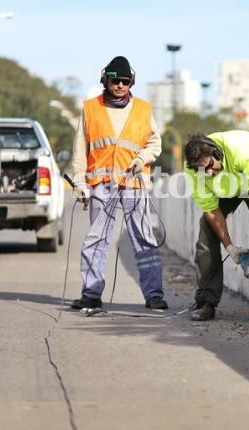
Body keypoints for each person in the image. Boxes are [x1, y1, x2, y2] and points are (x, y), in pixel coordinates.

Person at [69, 55, 167, 310]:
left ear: (131, 82)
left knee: (144, 239)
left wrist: (142, 158)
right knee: (96, 239)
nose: (121, 85)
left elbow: (154, 143)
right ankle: (91, 294)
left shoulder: (144, 109)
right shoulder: (90, 108)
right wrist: (80, 182)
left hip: (134, 183)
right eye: (116, 81)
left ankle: (154, 295)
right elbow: (81, 149)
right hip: (101, 184)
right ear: (106, 80)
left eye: (125, 81)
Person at [183, 130, 249, 321]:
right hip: (225, 190)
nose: (209, 172)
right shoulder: (193, 169)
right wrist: (230, 246)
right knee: (206, 237)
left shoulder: (242, 150)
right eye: (203, 170)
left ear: (216, 153)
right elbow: (211, 209)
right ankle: (206, 301)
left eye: (211, 165)